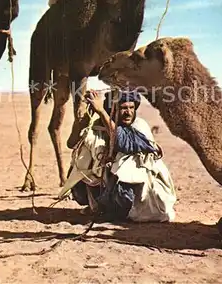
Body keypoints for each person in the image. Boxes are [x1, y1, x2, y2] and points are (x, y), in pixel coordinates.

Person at [59, 89, 177, 223]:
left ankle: (116, 209)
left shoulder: (139, 125)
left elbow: (122, 141)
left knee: (127, 164)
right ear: (113, 110)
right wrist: (86, 116)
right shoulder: (100, 125)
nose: (128, 112)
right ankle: (103, 205)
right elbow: (72, 143)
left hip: (144, 194)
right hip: (106, 183)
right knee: (83, 157)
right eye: (123, 108)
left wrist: (101, 111)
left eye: (131, 107)